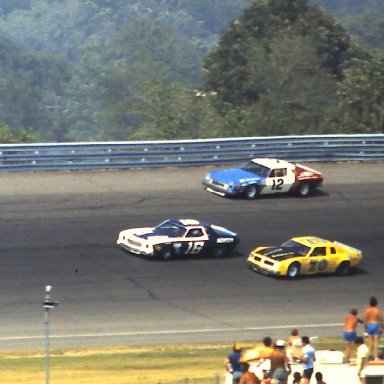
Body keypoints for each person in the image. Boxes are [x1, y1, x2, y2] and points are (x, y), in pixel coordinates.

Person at [363, 296, 383, 360]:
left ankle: (369, 355)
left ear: (370, 303)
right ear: (376, 303)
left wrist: (365, 328)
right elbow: (380, 319)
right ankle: (375, 357)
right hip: (375, 325)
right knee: (375, 342)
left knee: (370, 342)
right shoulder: (377, 310)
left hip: (369, 325)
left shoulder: (367, 310)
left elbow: (365, 320)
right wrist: (382, 327)